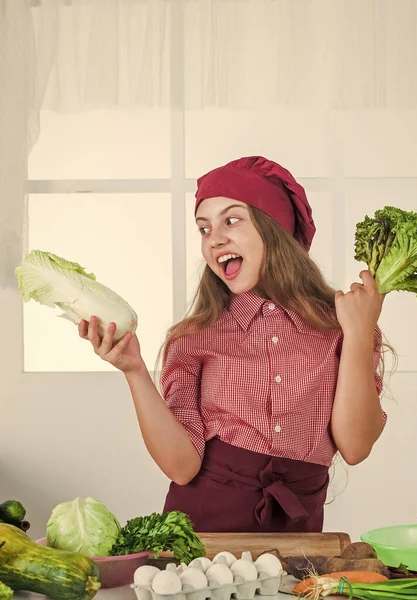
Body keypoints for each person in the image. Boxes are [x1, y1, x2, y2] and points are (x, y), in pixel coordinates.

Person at [79, 156, 388, 533]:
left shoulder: (344, 327)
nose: (215, 239)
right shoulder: (193, 337)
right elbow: (182, 466)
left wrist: (358, 335)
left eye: (231, 219)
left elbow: (355, 448)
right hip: (201, 537)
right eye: (204, 228)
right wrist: (134, 370)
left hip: (299, 537)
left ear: (274, 228)